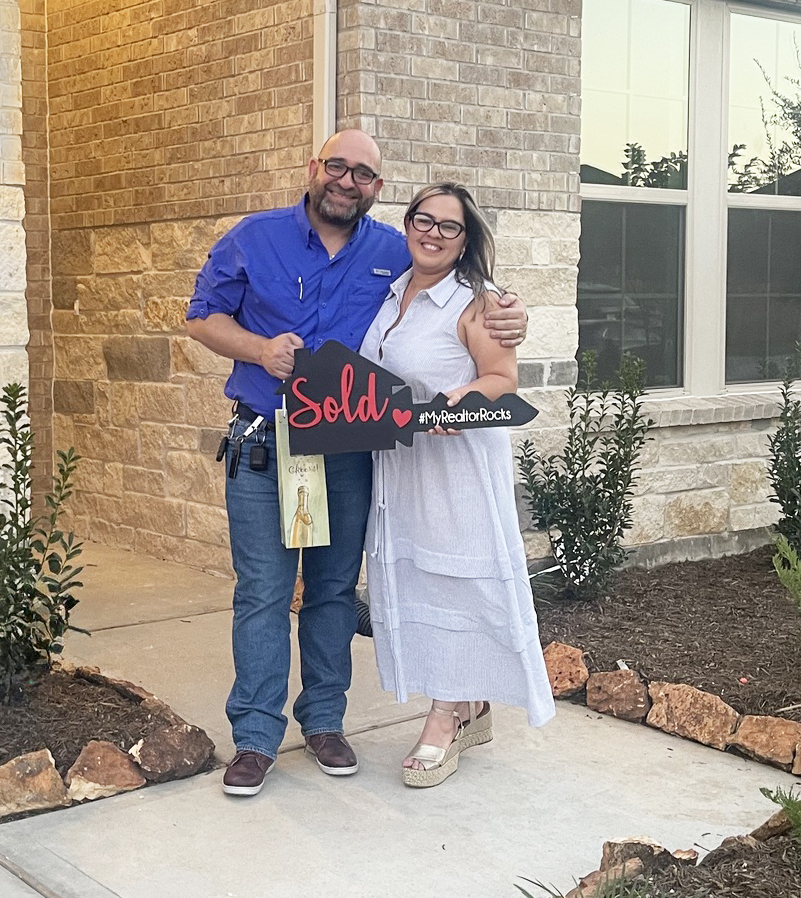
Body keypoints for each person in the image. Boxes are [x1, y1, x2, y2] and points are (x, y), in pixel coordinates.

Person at [184, 130, 530, 796]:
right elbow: (201, 317)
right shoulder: (252, 237)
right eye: (337, 166)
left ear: (378, 188)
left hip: (345, 452)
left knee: (334, 593)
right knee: (262, 592)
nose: (348, 181)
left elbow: (459, 278)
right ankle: (255, 736)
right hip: (265, 443)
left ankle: (323, 720)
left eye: (364, 174)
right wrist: (258, 350)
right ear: (313, 168)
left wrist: (512, 312)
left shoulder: (391, 249)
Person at [360, 182, 556, 788]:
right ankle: (468, 705)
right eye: (424, 219)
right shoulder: (393, 290)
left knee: (455, 585)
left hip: (456, 465)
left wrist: (460, 401)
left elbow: (502, 377)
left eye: (450, 226)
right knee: (420, 579)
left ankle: (445, 718)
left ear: (465, 239)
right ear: (408, 223)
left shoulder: (478, 300)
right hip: (401, 469)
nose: (434, 233)